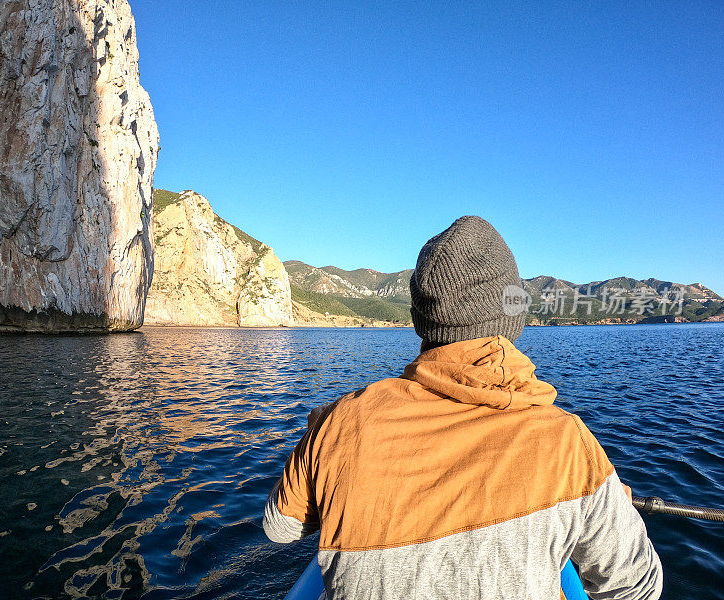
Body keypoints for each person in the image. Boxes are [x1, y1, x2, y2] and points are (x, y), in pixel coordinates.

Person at [263, 216, 662, 599]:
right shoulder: (567, 442)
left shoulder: (342, 422)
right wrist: (608, 507)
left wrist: (319, 439)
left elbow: (280, 528)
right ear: (512, 315)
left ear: (421, 317)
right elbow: (638, 589)